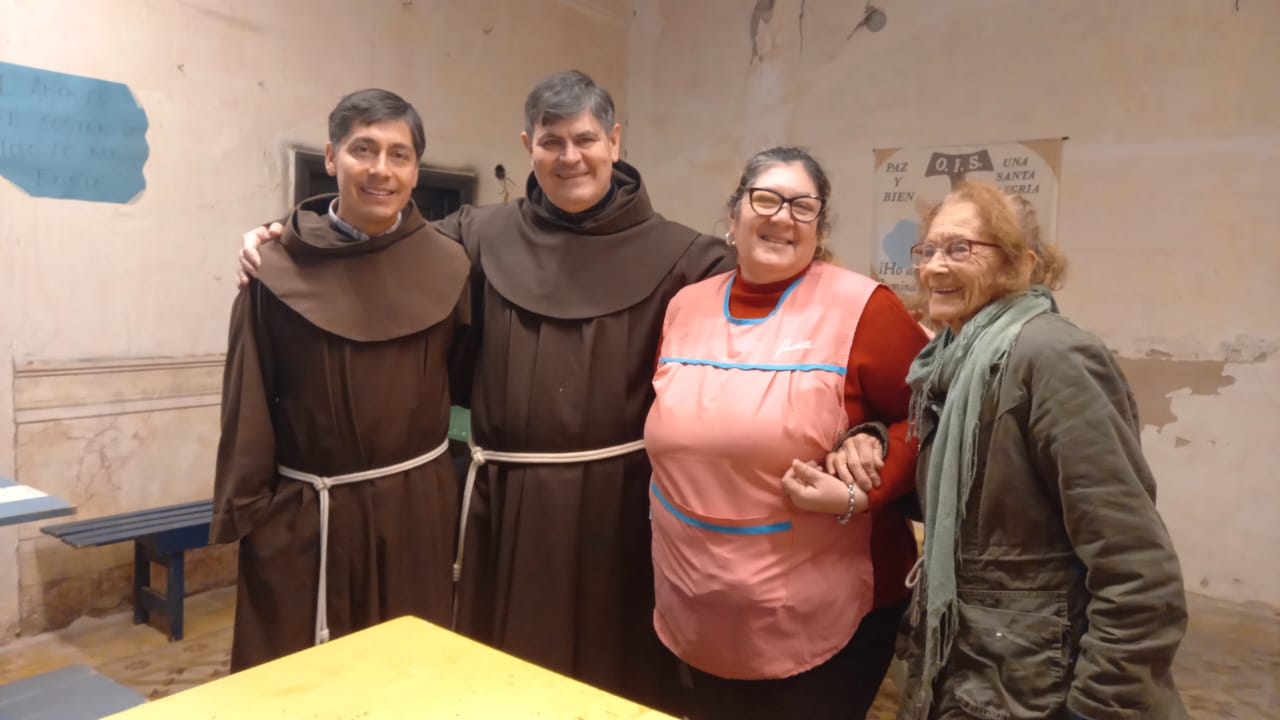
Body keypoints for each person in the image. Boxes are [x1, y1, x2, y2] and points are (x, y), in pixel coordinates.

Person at [238, 71, 731, 711]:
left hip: (619, 509)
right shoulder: (474, 235)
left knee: (615, 675)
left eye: (585, 139)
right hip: (500, 503)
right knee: (496, 678)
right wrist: (288, 239)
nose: (570, 157)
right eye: (551, 142)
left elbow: (771, 307)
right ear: (528, 146)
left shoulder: (687, 257)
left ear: (614, 140)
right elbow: (374, 242)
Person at [865, 179, 1186, 719]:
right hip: (973, 673)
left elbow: (1137, 571)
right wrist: (871, 439)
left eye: (960, 248)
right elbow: (973, 509)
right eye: (929, 249)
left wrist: (1098, 708)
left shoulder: (1053, 357)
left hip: (1036, 686)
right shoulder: (950, 361)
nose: (935, 267)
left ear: (1020, 264)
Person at [644, 147, 929, 719]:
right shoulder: (684, 308)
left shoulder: (864, 309)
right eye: (766, 199)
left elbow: (931, 417)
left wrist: (868, 470)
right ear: (734, 216)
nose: (782, 217)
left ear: (818, 229)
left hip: (822, 619)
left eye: (803, 206)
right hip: (694, 603)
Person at [212, 89, 470, 670]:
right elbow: (248, 403)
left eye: (399, 154)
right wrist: (255, 519)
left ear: (416, 169)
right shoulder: (274, 267)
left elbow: (461, 380)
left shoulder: (450, 264)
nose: (381, 170)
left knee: (409, 677)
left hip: (416, 513)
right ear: (332, 157)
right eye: (363, 150)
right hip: (308, 514)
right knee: (304, 684)